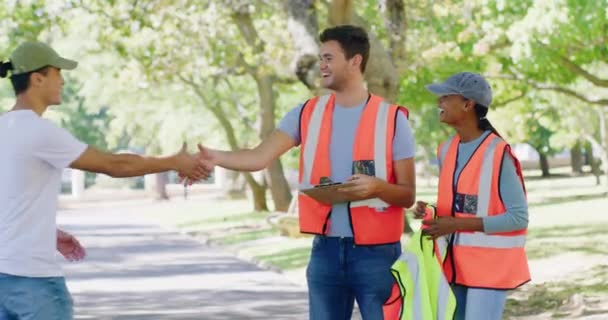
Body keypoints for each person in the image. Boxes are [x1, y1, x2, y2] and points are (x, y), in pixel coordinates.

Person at [194, 25, 416, 320]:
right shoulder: (306, 114)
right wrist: (216, 157)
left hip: (377, 256)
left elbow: (408, 195)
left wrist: (377, 188)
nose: (321, 66)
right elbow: (260, 156)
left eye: (328, 58)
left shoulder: (392, 119)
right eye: (320, 58)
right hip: (324, 253)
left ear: (355, 61)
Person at [0, 41, 212, 320]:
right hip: (32, 281)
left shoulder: (5, 128)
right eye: (57, 73)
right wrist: (173, 161)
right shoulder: (39, 131)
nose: (63, 80)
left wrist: (43, 232)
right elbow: (115, 165)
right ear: (37, 79)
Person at [414, 72, 530, 320]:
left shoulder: (498, 152)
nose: (439, 103)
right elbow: (463, 204)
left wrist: (456, 224)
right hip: (452, 267)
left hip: (488, 271)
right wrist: (432, 211)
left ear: (468, 104)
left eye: (446, 97)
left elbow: (518, 218)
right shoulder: (446, 150)